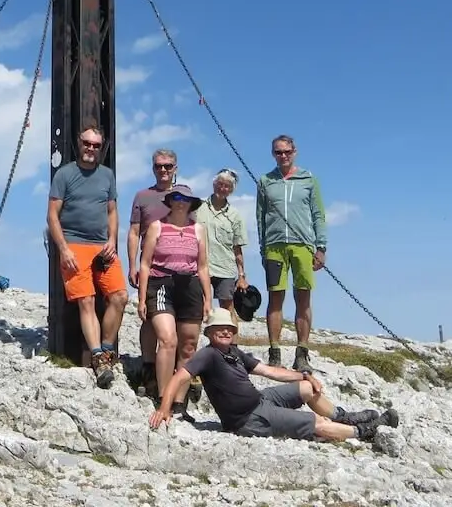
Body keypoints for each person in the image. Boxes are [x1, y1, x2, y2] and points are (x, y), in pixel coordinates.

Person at [149, 309, 399, 443]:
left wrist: (304, 374)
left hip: (261, 401)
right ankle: (364, 432)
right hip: (249, 420)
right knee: (316, 423)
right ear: (210, 332)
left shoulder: (234, 352)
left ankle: (343, 418)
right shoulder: (209, 355)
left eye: (229, 328)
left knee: (305, 388)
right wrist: (164, 407)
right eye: (219, 328)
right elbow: (179, 377)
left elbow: (269, 371)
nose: (225, 332)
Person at [46, 124, 128, 388]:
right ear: (78, 143)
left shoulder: (107, 175)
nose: (91, 149)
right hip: (74, 244)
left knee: (120, 296)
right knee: (87, 300)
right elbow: (52, 216)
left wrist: (113, 239)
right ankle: (97, 357)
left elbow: (112, 211)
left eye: (96, 145)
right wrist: (64, 248)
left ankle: (106, 349)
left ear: (101, 147)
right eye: (87, 143)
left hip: (102, 245)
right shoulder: (65, 174)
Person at [137, 184, 211, 414]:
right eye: (177, 197)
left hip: (190, 285)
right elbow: (146, 263)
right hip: (161, 283)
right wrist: (141, 299)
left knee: (188, 346)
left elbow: (203, 266)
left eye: (186, 199)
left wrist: (208, 298)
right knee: (168, 340)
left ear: (191, 204)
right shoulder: (156, 227)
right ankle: (163, 398)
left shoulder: (198, 229)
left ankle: (179, 402)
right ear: (170, 200)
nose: (181, 202)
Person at [257, 135, 328, 372]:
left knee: (303, 298)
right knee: (275, 298)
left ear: (295, 151)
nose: (283, 156)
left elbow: (318, 214)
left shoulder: (308, 179)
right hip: (274, 247)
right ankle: (274, 351)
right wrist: (263, 248)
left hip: (303, 246)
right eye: (278, 152)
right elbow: (260, 217)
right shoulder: (265, 181)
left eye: (287, 151)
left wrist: (321, 247)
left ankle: (302, 353)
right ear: (273, 154)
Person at [127, 148, 179, 398]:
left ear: (175, 168)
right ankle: (148, 367)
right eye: (159, 166)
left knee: (177, 322)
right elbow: (134, 232)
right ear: (153, 168)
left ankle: (177, 372)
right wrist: (132, 266)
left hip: (179, 270)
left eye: (168, 166)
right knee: (148, 318)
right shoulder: (142, 196)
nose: (163, 170)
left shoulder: (185, 196)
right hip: (151, 268)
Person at [196, 168, 249, 321]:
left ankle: (232, 345)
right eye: (220, 184)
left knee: (227, 310)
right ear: (214, 184)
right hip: (199, 266)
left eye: (227, 186)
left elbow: (237, 248)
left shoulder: (235, 215)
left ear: (231, 190)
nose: (222, 188)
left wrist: (241, 276)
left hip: (225, 269)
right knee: (196, 307)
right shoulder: (198, 207)